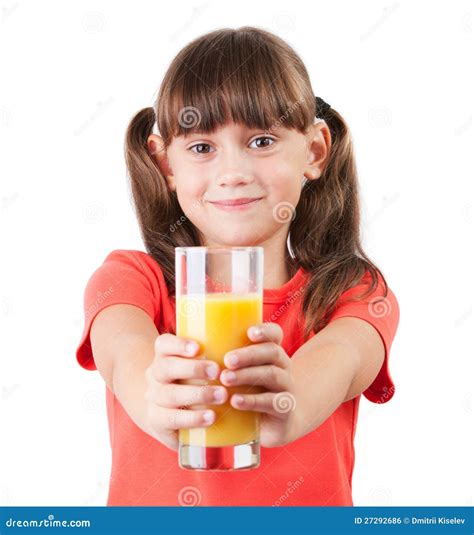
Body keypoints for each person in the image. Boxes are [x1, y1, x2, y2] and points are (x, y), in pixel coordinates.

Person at [76, 26, 400, 506]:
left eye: (262, 141)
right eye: (202, 147)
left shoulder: (355, 293)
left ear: (314, 151)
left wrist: (287, 397)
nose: (233, 173)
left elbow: (341, 359)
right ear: (166, 165)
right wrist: (156, 396)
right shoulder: (130, 279)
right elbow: (124, 353)